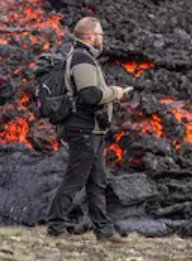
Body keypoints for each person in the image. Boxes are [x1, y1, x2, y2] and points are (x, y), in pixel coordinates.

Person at [46, 17, 132, 243]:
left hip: (93, 131)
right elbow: (90, 95)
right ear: (90, 36)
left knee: (97, 182)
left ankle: (104, 230)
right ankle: (55, 227)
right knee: (75, 180)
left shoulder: (85, 58)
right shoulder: (82, 60)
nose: (103, 39)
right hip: (83, 130)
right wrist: (116, 92)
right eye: (100, 34)